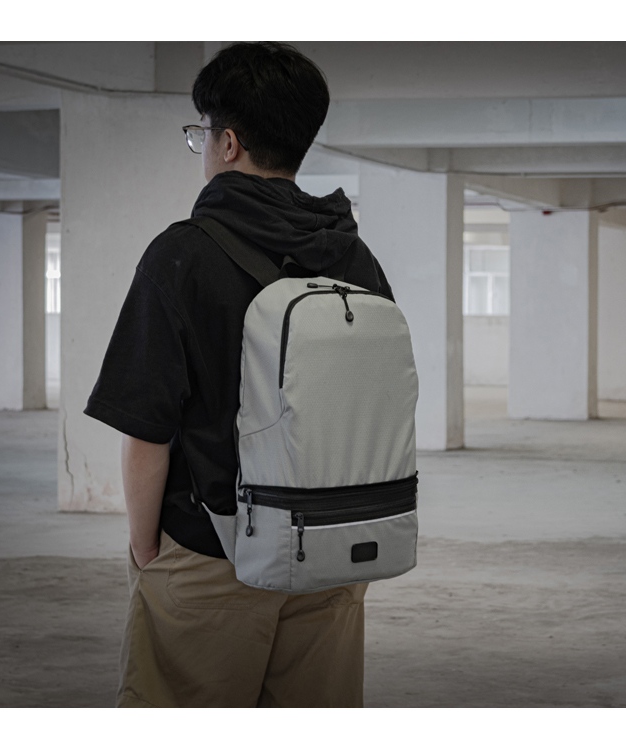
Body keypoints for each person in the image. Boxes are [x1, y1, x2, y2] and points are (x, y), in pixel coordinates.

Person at [83, 41, 394, 708]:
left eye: (201, 132)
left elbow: (146, 434)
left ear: (227, 143)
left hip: (213, 551)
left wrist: (147, 552)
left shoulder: (182, 256)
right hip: (333, 549)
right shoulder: (354, 257)